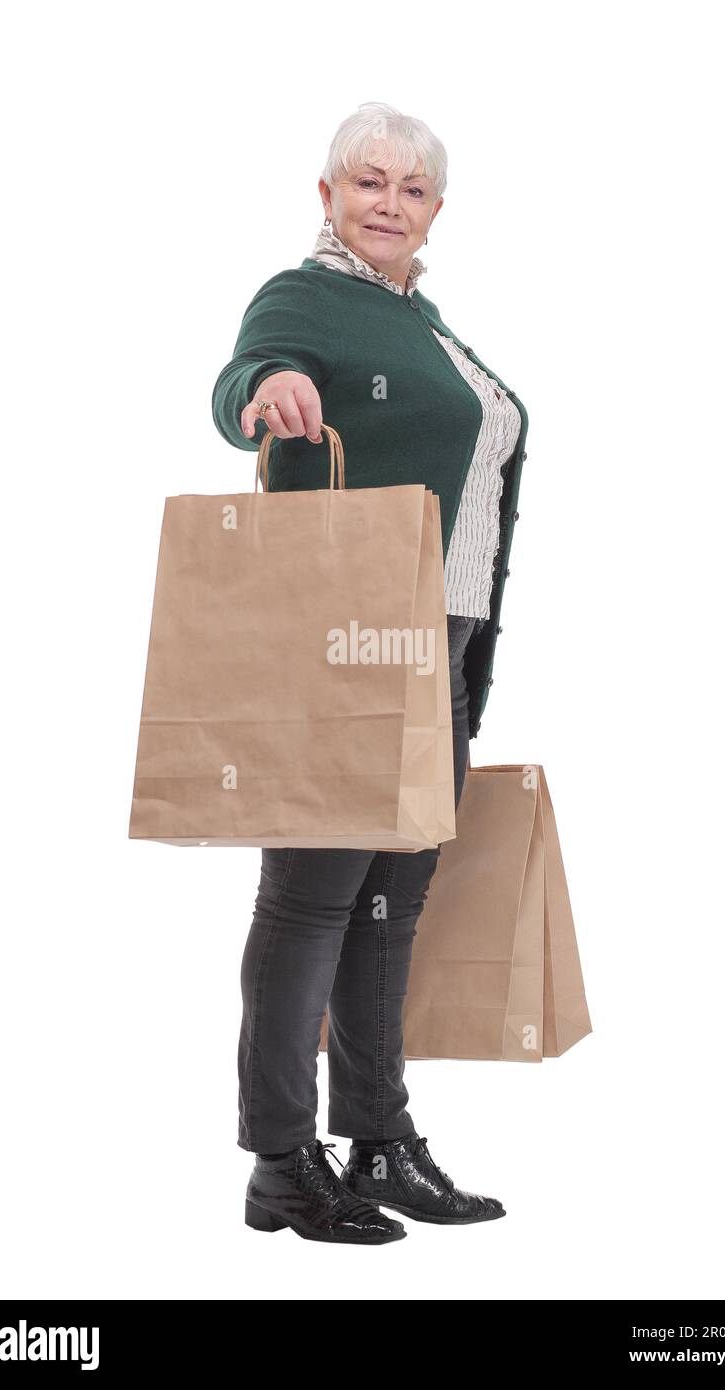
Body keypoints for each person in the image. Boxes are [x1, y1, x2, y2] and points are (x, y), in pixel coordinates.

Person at [211, 102, 529, 1245]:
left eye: (410, 188)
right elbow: (247, 367)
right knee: (311, 900)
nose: (387, 202)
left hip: (436, 643)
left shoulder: (423, 319)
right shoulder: (308, 295)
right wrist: (265, 389)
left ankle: (378, 1137)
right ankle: (281, 1163)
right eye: (367, 182)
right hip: (346, 643)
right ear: (328, 195)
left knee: (391, 908)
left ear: (435, 209)